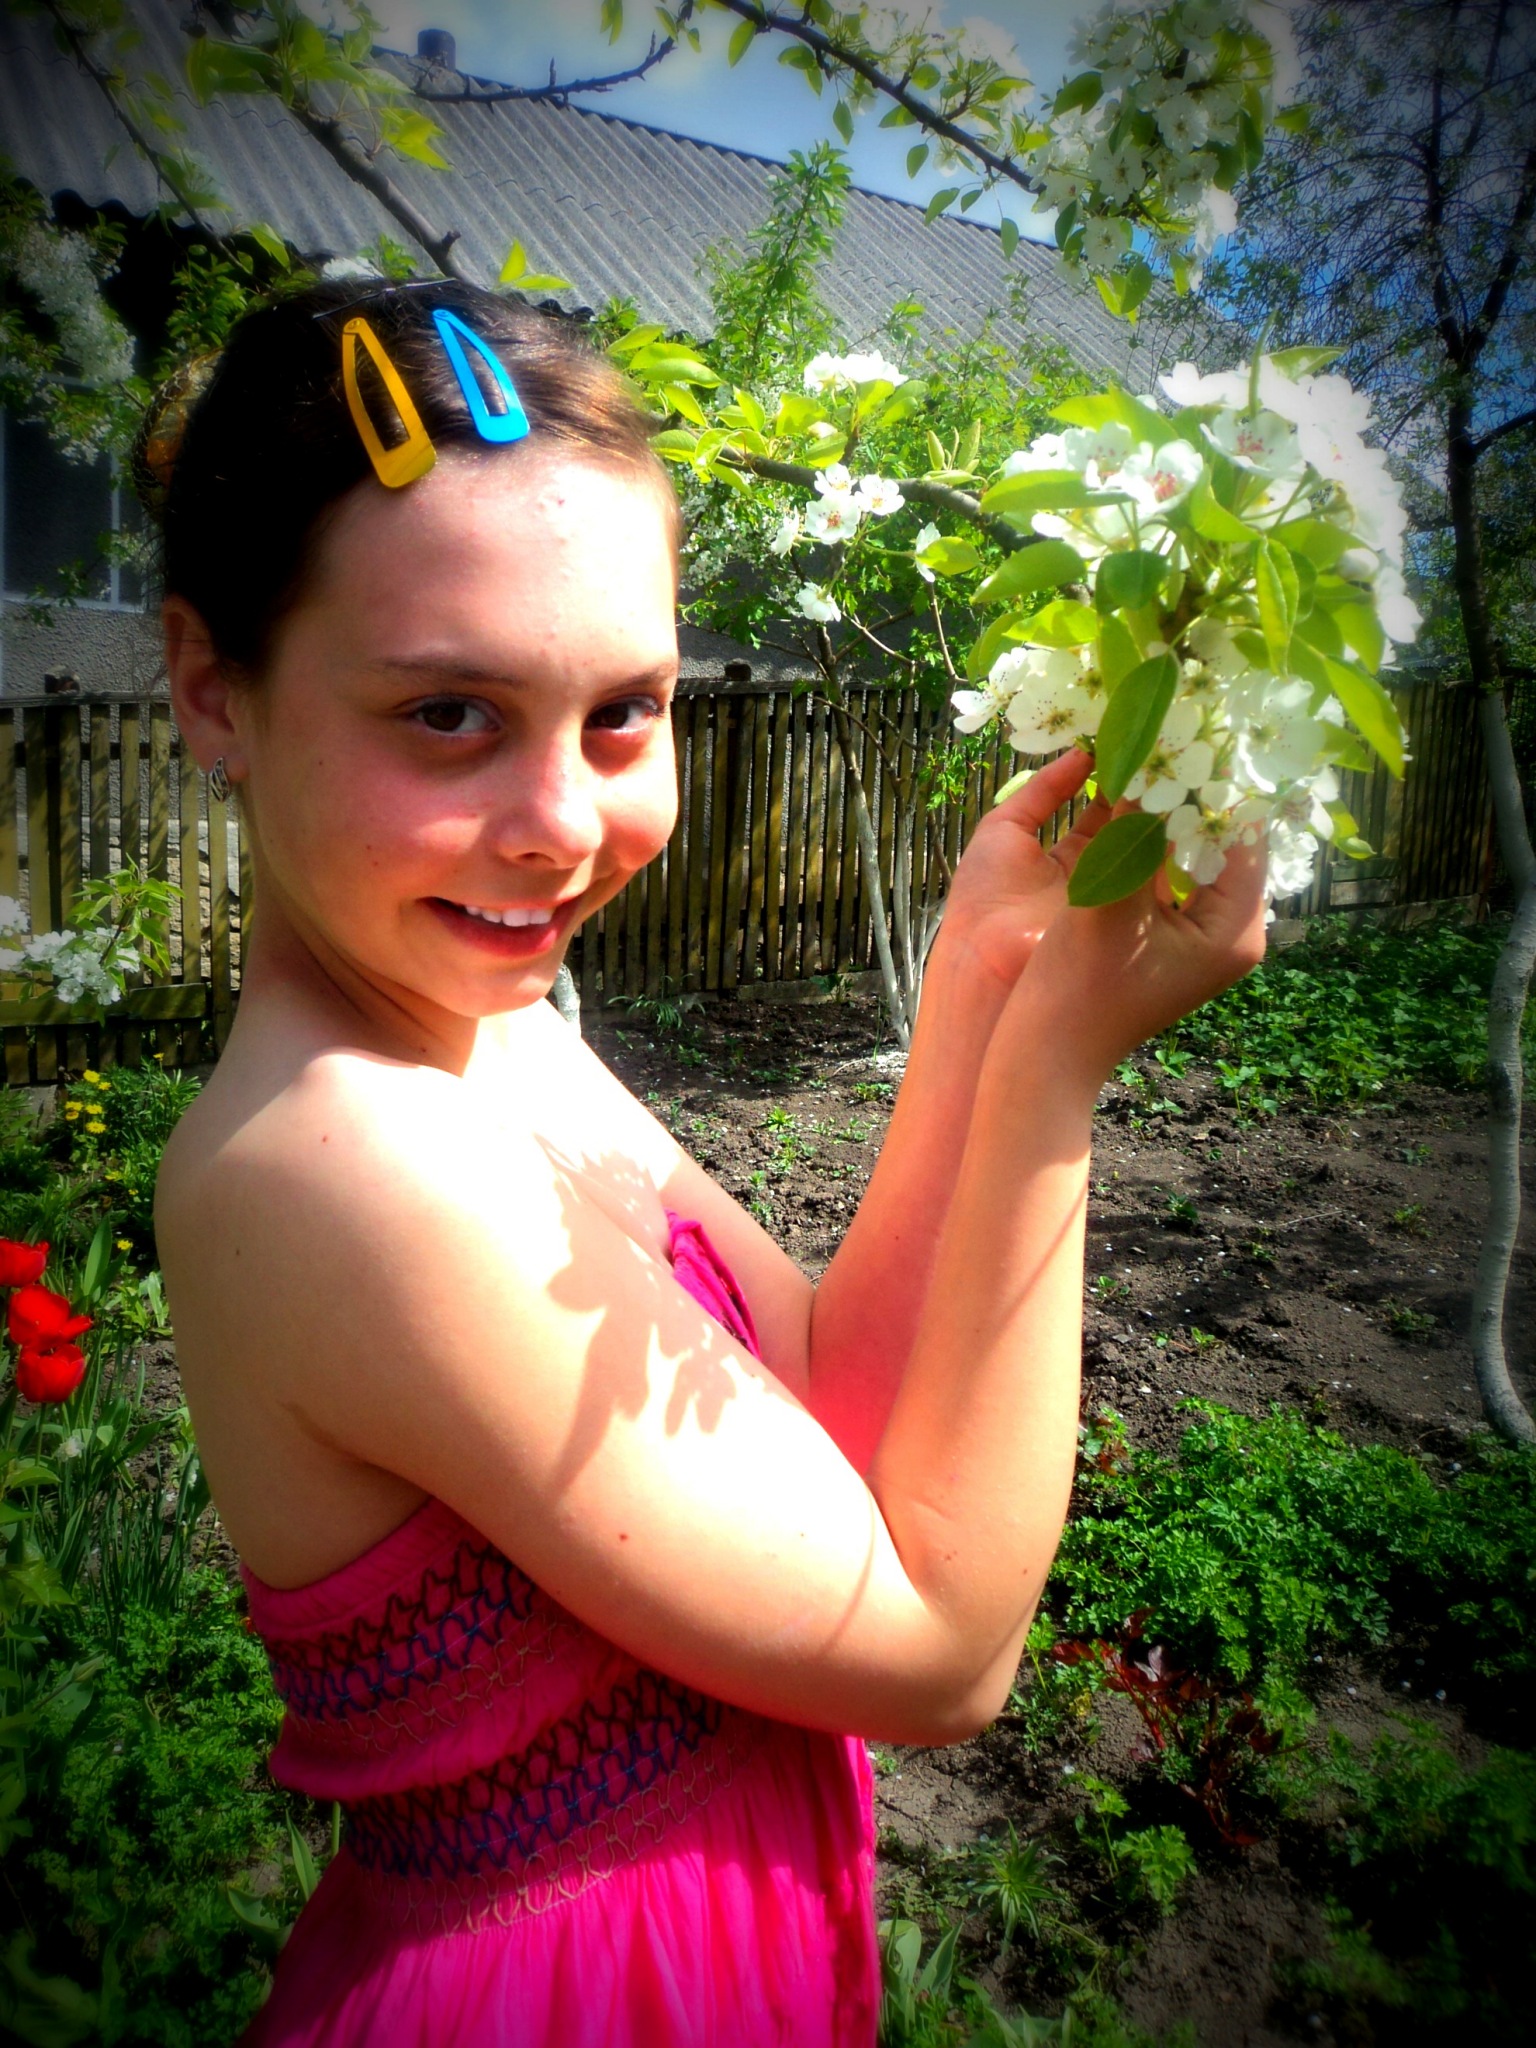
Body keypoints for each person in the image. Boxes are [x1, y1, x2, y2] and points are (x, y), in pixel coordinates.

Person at [152, 279, 1267, 2048]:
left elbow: (823, 1396)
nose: (563, 823)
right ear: (215, 687)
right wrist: (1058, 1078)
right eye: (448, 714)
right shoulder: (341, 1162)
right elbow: (940, 1652)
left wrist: (984, 986)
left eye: (624, 710)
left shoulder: (498, 1033)